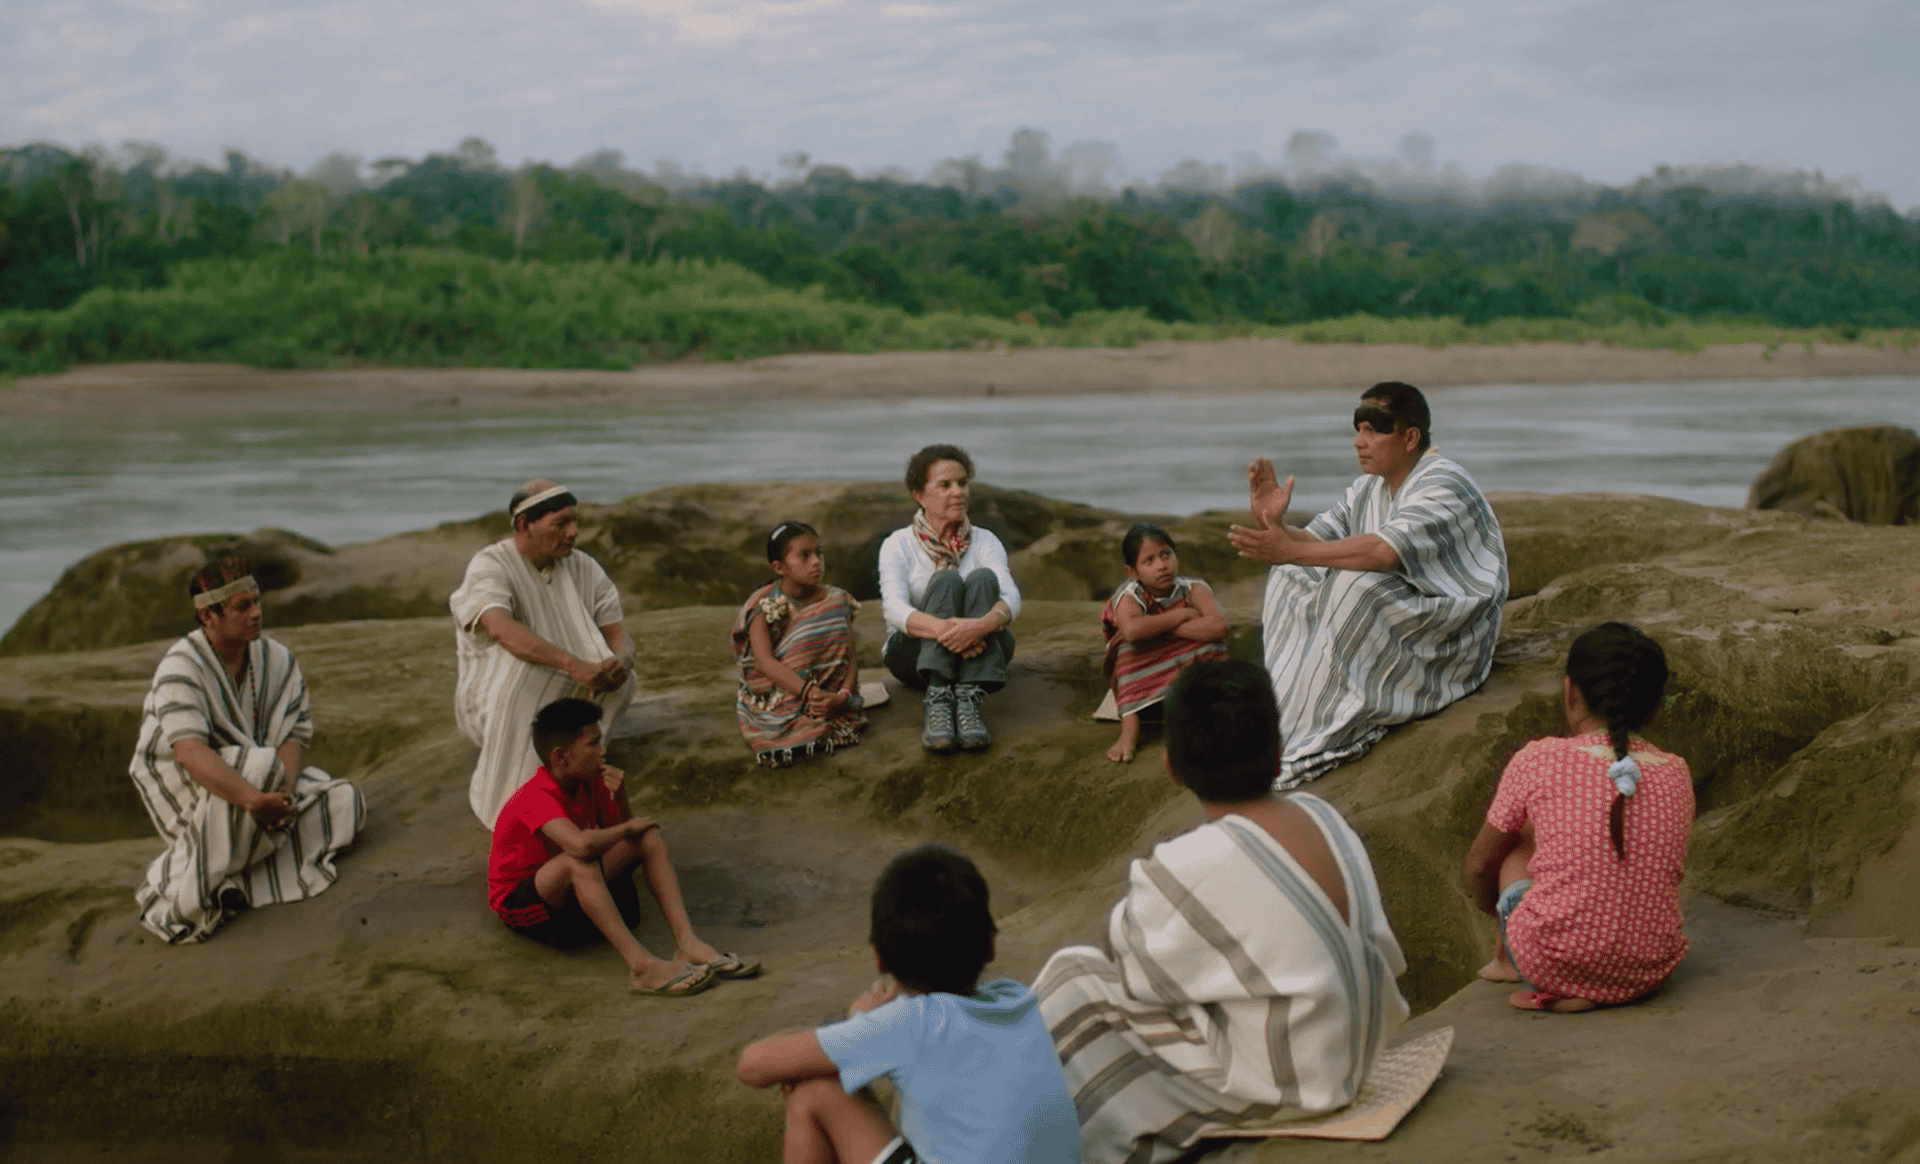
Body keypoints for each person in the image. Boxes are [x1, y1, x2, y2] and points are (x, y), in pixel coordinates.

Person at [1035, 659, 1409, 1164]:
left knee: (1073, 979)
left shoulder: (1189, 862)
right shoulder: (1323, 814)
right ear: (1278, 755)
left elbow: (1137, 972)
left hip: (1300, 1083)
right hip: (1360, 1051)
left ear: (1171, 767)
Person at [1229, 381, 1507, 786]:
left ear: (1410, 438)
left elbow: (1383, 552)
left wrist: (1289, 549)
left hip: (1451, 635)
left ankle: (1327, 727)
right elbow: (1314, 541)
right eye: (1358, 429)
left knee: (1352, 586)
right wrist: (1276, 524)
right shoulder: (1367, 488)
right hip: (1405, 614)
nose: (1359, 442)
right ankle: (1292, 712)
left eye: (1374, 430)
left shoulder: (1444, 480)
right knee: (1290, 573)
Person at [736, 844, 1080, 1164]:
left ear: (878, 959)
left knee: (814, 1092)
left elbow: (751, 1066)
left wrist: (857, 1023)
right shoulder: (1016, 999)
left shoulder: (912, 1024)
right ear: (991, 945)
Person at [128, 555, 365, 943]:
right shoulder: (179, 667)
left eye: (257, 602)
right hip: (189, 786)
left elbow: (291, 734)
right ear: (208, 616)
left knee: (344, 801)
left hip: (261, 782)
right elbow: (188, 752)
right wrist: (255, 800)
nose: (256, 613)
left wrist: (284, 795)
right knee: (260, 766)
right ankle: (193, 884)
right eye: (243, 606)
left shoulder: (276, 659)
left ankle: (229, 880)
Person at [1464, 622, 1691, 1013]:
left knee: (1520, 838)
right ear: (1654, 708)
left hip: (1550, 963)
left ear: (1570, 692)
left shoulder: (1538, 760)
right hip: (1650, 969)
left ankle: (1508, 960)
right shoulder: (1676, 771)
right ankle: (1607, 985)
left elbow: (1479, 865)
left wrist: (1499, 917)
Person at [488, 697, 758, 995]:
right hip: (526, 903)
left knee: (647, 836)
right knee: (577, 860)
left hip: (574, 889)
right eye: (593, 744)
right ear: (561, 757)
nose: (602, 751)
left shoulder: (590, 781)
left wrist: (620, 801)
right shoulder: (533, 797)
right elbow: (581, 846)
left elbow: (625, 839)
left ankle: (687, 942)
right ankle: (642, 967)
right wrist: (626, 827)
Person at [451, 479, 636, 828]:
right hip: (496, 696)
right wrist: (573, 665)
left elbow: (616, 632)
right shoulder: (491, 564)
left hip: (568, 684)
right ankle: (519, 806)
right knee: (531, 675)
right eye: (561, 523)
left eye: (575, 521)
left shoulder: (584, 566)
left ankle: (573, 770)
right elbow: (499, 627)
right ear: (524, 524)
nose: (573, 532)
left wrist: (621, 662)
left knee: (624, 681)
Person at [876, 445, 1020, 753]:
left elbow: (1011, 596)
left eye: (962, 483)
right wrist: (951, 633)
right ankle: (939, 696)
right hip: (914, 656)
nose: (958, 492)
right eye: (945, 485)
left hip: (976, 644)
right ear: (919, 495)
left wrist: (979, 627)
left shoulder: (984, 540)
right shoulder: (897, 544)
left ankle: (968, 699)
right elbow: (894, 609)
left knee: (984, 579)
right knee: (946, 580)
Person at [731, 521, 869, 768]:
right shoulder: (762, 604)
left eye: (818, 553)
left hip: (832, 697)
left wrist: (843, 697)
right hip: (786, 694)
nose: (816, 562)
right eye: (805, 555)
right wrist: (809, 692)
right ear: (779, 567)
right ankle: (807, 713)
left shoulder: (837, 600)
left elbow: (849, 656)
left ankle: (826, 707)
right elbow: (763, 662)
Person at [1101, 522, 1228, 763]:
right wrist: (1181, 615)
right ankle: (1130, 727)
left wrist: (1159, 629)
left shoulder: (1193, 589)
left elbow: (1217, 627)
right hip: (1142, 679)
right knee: (1127, 650)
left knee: (1212, 646)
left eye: (1166, 554)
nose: (1161, 565)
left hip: (1183, 685)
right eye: (1149, 561)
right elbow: (1131, 631)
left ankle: (1198, 713)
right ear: (1133, 572)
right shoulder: (1130, 595)